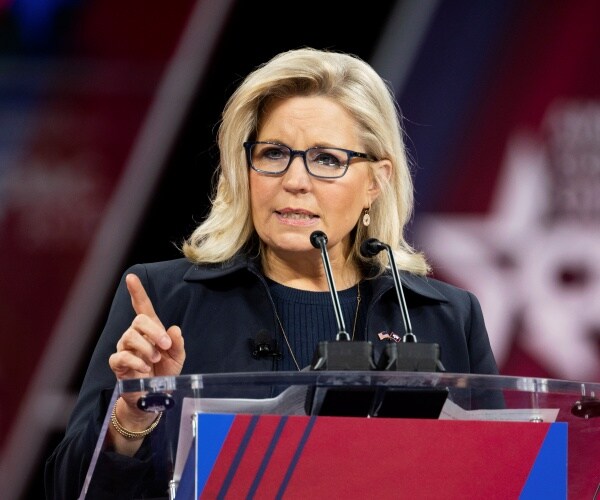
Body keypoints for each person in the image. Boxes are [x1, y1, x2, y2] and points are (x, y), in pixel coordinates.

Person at [45, 47, 499, 499]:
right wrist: (133, 419)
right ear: (246, 169)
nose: (295, 180)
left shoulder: (444, 317)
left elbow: (503, 477)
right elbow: (67, 490)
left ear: (375, 182)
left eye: (326, 159)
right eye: (275, 152)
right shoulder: (164, 301)